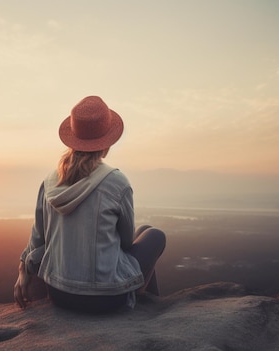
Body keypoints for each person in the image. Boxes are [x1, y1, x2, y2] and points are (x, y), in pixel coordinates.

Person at [14, 96, 166, 313]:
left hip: (59, 294)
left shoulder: (49, 182)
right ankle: (153, 314)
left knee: (145, 230)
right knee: (154, 234)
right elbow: (124, 241)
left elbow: (37, 239)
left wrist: (23, 269)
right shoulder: (117, 182)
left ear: (73, 139)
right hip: (107, 299)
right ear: (106, 143)